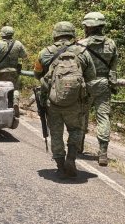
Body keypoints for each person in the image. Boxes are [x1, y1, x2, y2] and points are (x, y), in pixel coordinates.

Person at [34, 22, 96, 179]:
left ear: (55, 34)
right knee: (76, 130)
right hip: (75, 102)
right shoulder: (83, 52)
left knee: (56, 133)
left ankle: (61, 168)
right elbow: (91, 76)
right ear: (72, 34)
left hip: (53, 102)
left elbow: (37, 74)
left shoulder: (45, 53)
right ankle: (71, 158)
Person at [78, 12, 118, 164]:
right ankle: (102, 152)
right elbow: (113, 68)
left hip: (86, 84)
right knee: (103, 117)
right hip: (103, 84)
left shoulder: (81, 44)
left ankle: (78, 146)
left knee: (82, 115)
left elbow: (78, 68)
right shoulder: (111, 44)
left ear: (88, 26)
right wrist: (112, 84)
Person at [0, 26, 27, 115]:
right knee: (15, 88)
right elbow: (24, 55)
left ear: (2, 34)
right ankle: (15, 103)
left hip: (1, 71)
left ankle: (0, 106)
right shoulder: (18, 44)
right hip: (14, 71)